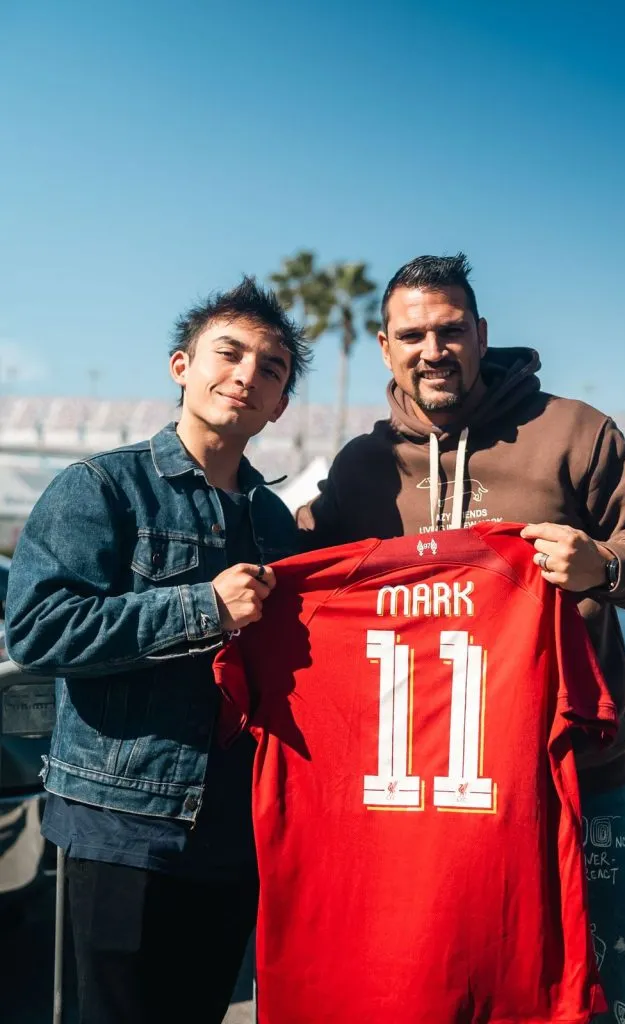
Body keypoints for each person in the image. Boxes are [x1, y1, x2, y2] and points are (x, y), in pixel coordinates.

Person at [297, 253, 625, 1023]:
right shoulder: (364, 468)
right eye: (413, 336)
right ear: (384, 346)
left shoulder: (572, 432)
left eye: (449, 331)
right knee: (446, 993)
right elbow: (305, 577)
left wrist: (604, 565)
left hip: (579, 781)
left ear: (480, 334)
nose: (432, 351)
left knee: (613, 1000)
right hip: (427, 795)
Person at [6, 278, 309, 1024]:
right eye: (228, 353)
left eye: (270, 368)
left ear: (280, 405)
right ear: (182, 366)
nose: (246, 374)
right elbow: (38, 630)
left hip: (237, 828)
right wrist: (203, 607)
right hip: (122, 823)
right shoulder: (101, 487)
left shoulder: (274, 521)